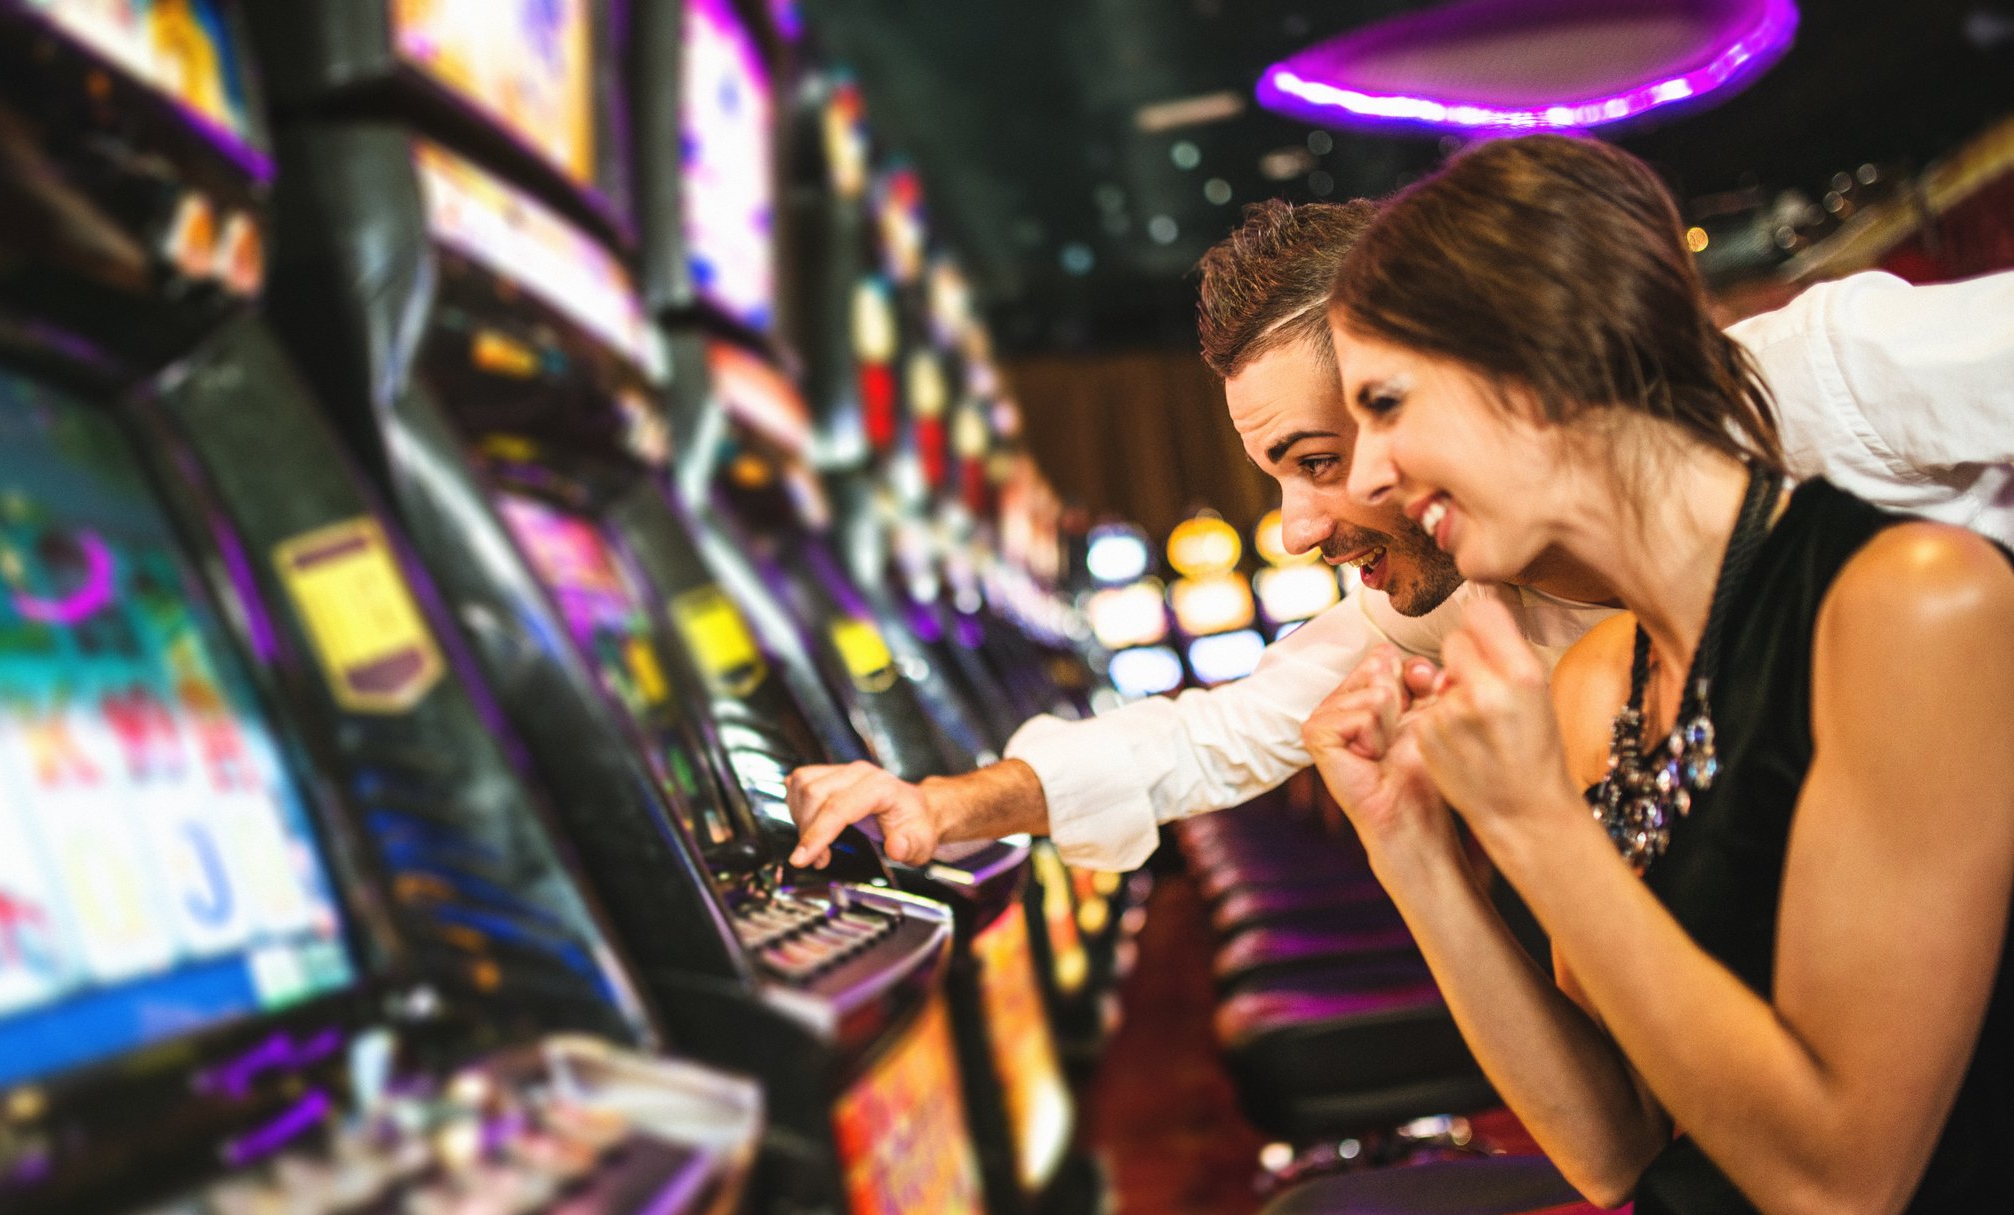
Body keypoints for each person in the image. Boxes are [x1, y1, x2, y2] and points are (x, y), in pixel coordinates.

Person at [1016, 134, 2014, 1215]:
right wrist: (1415, 848)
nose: (1358, 485)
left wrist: (1536, 823)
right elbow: (1609, 1150)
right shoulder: (1600, 680)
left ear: (1537, 373)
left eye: (1382, 412)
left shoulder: (1912, 600)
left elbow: (1833, 1196)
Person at [783, 206, 2014, 876]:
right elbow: (1211, 737)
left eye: (1335, 449)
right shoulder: (1446, 596)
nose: (1309, 519)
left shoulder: (1819, 377)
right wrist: (940, 806)